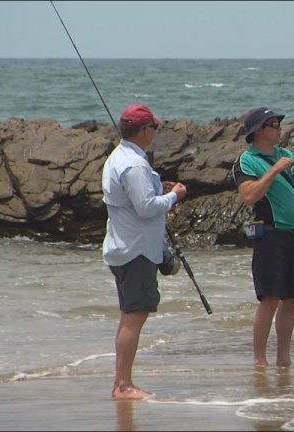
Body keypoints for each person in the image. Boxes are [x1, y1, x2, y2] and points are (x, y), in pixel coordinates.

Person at [101, 103, 187, 399]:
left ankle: (121, 382)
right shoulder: (134, 164)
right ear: (145, 130)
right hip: (135, 251)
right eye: (154, 128)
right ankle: (123, 385)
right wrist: (174, 196)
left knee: (130, 315)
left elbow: (135, 198)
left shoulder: (121, 157)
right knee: (134, 315)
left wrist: (158, 188)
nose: (155, 132)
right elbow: (146, 208)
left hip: (126, 247)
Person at [232, 107, 294, 368]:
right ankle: (259, 359)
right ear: (258, 130)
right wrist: (275, 169)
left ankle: (284, 357)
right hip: (270, 235)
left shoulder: (287, 155)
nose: (279, 128)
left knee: (292, 298)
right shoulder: (247, 160)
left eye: (280, 123)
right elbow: (249, 196)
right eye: (273, 124)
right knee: (270, 298)